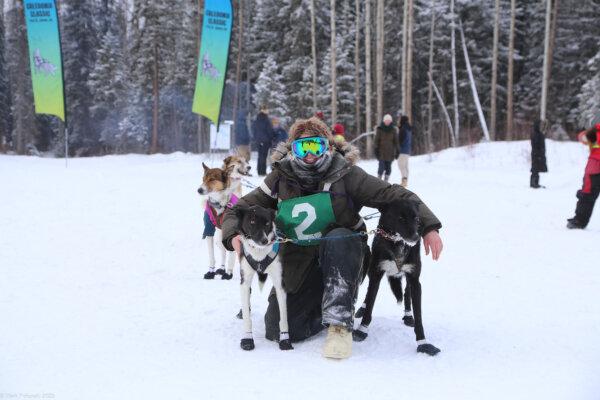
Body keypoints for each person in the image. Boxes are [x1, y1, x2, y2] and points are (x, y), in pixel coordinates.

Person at [221, 116, 443, 359]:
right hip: (299, 261)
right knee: (278, 329)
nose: (309, 154)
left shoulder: (345, 173)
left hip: (344, 256)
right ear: (292, 149)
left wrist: (429, 226)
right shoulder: (280, 177)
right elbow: (238, 209)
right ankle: (321, 306)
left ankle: (339, 323)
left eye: (315, 146)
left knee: (338, 236)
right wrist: (233, 233)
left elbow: (393, 194)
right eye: (301, 147)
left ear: (326, 146)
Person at [567, 123, 600, 229]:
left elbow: (582, 138)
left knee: (587, 195)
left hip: (594, 167)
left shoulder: (595, 132)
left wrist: (585, 131)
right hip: (594, 167)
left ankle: (579, 221)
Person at [374, 114, 399, 182]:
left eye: (389, 121)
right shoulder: (379, 129)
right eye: (386, 120)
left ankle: (386, 181)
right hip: (381, 152)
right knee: (381, 168)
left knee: (388, 169)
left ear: (391, 121)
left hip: (390, 153)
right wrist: (376, 149)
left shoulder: (393, 130)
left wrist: (397, 151)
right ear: (384, 121)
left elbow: (396, 141)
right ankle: (379, 181)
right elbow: (376, 141)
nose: (387, 122)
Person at [252, 105, 275, 176]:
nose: (267, 111)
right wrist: (272, 137)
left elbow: (253, 129)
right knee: (263, 156)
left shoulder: (257, 118)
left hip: (258, 141)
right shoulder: (265, 119)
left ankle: (260, 171)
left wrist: (255, 138)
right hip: (265, 141)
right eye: (266, 109)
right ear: (263, 110)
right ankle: (262, 172)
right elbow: (269, 130)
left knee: (260, 156)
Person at [530, 119, 548, 188]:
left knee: (536, 169)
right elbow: (537, 144)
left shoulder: (537, 133)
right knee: (535, 169)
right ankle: (534, 183)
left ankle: (535, 182)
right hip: (536, 154)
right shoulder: (536, 134)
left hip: (538, 153)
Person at [397, 115, 412, 187]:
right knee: (405, 166)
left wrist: (397, 149)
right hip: (407, 150)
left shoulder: (403, 129)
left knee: (401, 165)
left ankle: (404, 180)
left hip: (402, 150)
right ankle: (405, 180)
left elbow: (400, 140)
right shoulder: (409, 128)